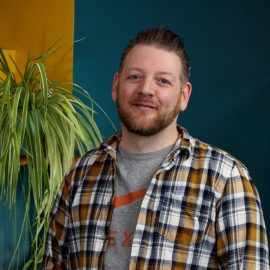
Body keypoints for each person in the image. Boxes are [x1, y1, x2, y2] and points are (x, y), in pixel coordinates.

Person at [42, 27, 269, 269]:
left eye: (163, 80)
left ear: (183, 96)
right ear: (116, 86)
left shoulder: (225, 178)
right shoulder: (81, 174)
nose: (146, 89)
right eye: (135, 77)